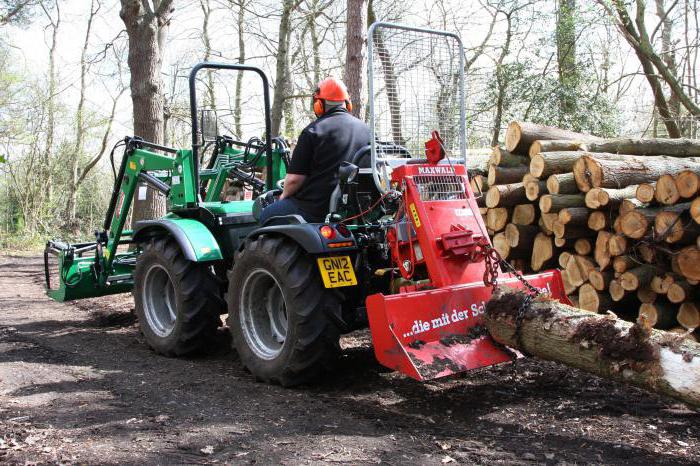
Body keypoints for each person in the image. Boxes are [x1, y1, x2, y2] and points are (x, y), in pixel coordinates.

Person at [259, 77, 371, 224]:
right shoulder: (367, 131)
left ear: (319, 104)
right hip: (357, 211)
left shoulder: (313, 131)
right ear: (347, 103)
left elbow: (293, 180)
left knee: (267, 213)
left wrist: (283, 197)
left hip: (316, 210)